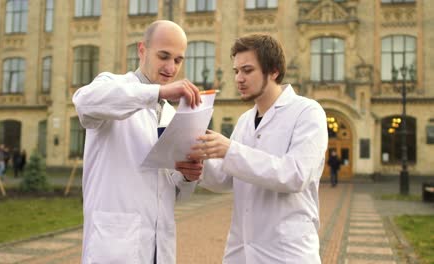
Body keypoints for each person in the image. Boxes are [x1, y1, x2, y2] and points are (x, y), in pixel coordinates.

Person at [188, 34, 328, 263]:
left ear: (273, 71)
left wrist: (229, 150)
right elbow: (225, 179)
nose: (239, 79)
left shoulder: (307, 112)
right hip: (240, 252)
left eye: (247, 70)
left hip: (286, 253)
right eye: (236, 71)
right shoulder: (245, 120)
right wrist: (198, 163)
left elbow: (296, 175)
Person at [72, 20, 204, 264]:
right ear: (141, 50)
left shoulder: (170, 115)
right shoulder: (112, 85)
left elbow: (172, 194)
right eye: (163, 56)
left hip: (158, 249)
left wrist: (186, 177)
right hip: (115, 247)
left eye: (178, 60)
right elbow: (83, 102)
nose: (170, 67)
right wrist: (158, 92)